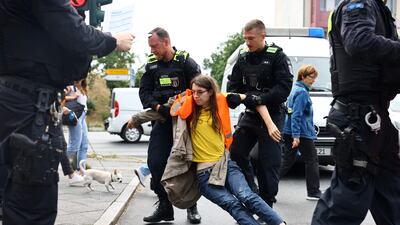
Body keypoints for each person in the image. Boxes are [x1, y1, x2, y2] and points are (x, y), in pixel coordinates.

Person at [0, 0, 134, 223]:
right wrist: (112, 40)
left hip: (16, 102)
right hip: (29, 105)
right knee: (32, 202)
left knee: (14, 193)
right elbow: (73, 33)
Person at [311, 0, 400, 224]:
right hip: (359, 115)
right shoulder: (359, 4)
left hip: (376, 116)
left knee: (392, 197)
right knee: (348, 199)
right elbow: (358, 42)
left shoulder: (379, 9)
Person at [171, 75, 286, 225]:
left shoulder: (222, 99)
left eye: (200, 92)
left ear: (211, 91)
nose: (196, 96)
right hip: (203, 175)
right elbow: (172, 109)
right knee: (233, 205)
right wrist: (184, 97)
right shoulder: (189, 106)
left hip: (226, 165)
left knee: (247, 196)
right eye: (193, 92)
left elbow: (256, 100)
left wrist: (270, 124)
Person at [227, 19, 293, 207]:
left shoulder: (277, 56)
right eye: (245, 38)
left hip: (273, 114)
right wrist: (233, 98)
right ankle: (252, 192)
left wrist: (260, 98)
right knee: (237, 153)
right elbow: (234, 87)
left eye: (251, 38)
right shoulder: (243, 58)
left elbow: (284, 88)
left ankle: (267, 204)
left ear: (263, 36)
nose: (248, 42)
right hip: (250, 114)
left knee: (268, 162)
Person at [139, 27, 202, 224]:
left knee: (188, 165)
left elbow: (199, 91)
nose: (152, 51)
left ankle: (192, 206)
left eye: (154, 46)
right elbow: (144, 93)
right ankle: (165, 207)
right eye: (150, 47)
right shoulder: (151, 66)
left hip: (185, 123)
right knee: (155, 163)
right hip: (162, 119)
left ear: (166, 42)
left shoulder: (186, 63)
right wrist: (158, 106)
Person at [279, 65, 322, 201]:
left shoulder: (295, 89)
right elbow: (296, 115)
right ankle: (314, 192)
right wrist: (296, 136)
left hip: (291, 131)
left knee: (287, 160)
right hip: (301, 133)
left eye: (314, 77)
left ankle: (267, 186)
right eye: (311, 77)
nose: (313, 80)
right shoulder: (302, 92)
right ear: (303, 76)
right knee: (312, 160)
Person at [65, 79, 89, 173]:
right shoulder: (70, 87)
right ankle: (53, 161)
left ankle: (82, 172)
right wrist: (73, 97)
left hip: (83, 116)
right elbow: (59, 97)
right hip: (74, 116)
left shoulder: (83, 88)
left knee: (84, 146)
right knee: (74, 146)